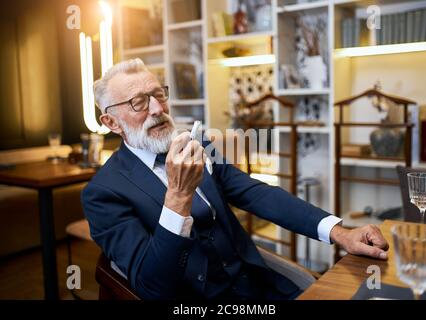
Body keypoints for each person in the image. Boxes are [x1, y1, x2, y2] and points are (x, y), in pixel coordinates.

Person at [82, 58, 389, 300]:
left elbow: (257, 193)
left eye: (159, 94)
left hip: (259, 284)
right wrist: (178, 196)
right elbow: (153, 286)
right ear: (111, 122)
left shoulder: (197, 145)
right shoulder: (103, 193)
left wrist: (340, 232)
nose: (159, 109)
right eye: (139, 102)